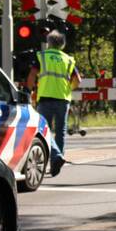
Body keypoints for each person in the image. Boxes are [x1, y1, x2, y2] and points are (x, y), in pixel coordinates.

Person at [26, 29, 81, 177]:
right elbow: (77, 80)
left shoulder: (42, 56)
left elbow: (32, 75)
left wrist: (28, 91)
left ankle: (56, 157)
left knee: (44, 130)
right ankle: (58, 160)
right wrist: (68, 89)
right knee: (60, 131)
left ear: (49, 43)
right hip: (63, 99)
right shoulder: (68, 59)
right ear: (62, 44)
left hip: (45, 97)